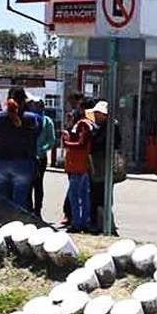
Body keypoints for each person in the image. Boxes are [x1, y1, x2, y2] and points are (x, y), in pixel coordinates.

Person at [0, 86, 41, 212]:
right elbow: (35, 137)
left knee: (1, 201)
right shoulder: (31, 118)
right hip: (23, 162)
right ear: (24, 100)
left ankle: (2, 226)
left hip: (1, 161)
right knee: (20, 202)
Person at [87, 100, 122, 234]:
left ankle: (102, 224)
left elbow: (100, 144)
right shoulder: (101, 126)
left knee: (100, 196)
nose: (96, 116)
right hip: (100, 166)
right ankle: (101, 223)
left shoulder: (109, 127)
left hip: (103, 167)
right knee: (99, 196)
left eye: (98, 113)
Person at [60, 104, 93, 232]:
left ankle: (77, 223)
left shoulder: (82, 125)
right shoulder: (82, 125)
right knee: (84, 195)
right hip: (80, 166)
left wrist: (66, 141)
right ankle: (83, 221)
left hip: (78, 166)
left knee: (75, 196)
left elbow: (81, 144)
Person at [31, 100, 56, 219]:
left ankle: (37, 210)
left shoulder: (47, 121)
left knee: (38, 184)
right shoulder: (30, 119)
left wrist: (41, 149)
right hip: (29, 156)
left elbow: (51, 140)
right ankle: (28, 208)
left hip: (40, 158)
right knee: (27, 184)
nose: (37, 108)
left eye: (39, 106)